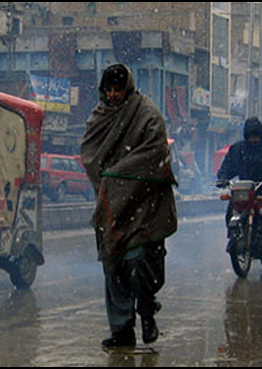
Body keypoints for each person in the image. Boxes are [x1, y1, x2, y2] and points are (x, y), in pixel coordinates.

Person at [81, 64, 178, 348]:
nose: (113, 95)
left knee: (138, 263)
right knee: (113, 267)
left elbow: (156, 152)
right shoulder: (99, 117)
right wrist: (112, 183)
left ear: (128, 88)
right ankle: (122, 331)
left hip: (143, 204)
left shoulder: (146, 113)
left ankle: (147, 311)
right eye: (109, 89)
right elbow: (91, 156)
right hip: (112, 206)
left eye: (118, 89)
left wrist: (121, 175)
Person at [216, 116, 262, 253]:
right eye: (250, 137)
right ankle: (234, 236)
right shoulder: (237, 150)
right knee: (232, 208)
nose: (253, 140)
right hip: (244, 189)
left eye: (255, 136)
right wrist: (223, 178)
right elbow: (228, 166)